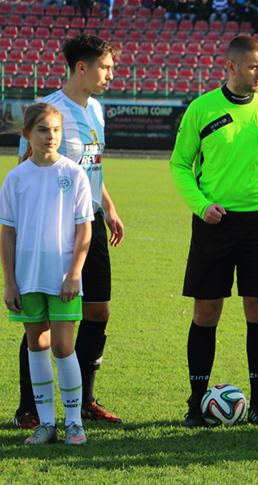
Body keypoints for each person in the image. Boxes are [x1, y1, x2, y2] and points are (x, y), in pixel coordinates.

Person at [169, 35, 258, 428]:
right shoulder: (202, 108)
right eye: (254, 67)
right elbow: (179, 165)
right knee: (206, 312)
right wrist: (201, 205)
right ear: (230, 67)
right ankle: (196, 401)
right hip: (215, 224)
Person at [15, 34, 125, 429]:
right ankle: (29, 408)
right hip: (54, 229)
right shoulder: (49, 112)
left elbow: (92, 166)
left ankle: (86, 399)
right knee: (41, 319)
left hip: (89, 222)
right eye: (106, 67)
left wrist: (108, 208)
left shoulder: (96, 109)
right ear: (82, 67)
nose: (111, 74)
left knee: (98, 309)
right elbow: (30, 172)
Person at [2, 103, 94, 445]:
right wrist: (10, 281)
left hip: (63, 278)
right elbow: (7, 232)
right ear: (28, 135)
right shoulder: (16, 178)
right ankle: (46, 423)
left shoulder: (74, 173)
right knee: (35, 345)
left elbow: (84, 229)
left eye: (55, 130)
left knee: (62, 346)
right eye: (43, 130)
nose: (50, 136)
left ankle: (74, 423)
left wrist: (74, 273)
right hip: (28, 278)